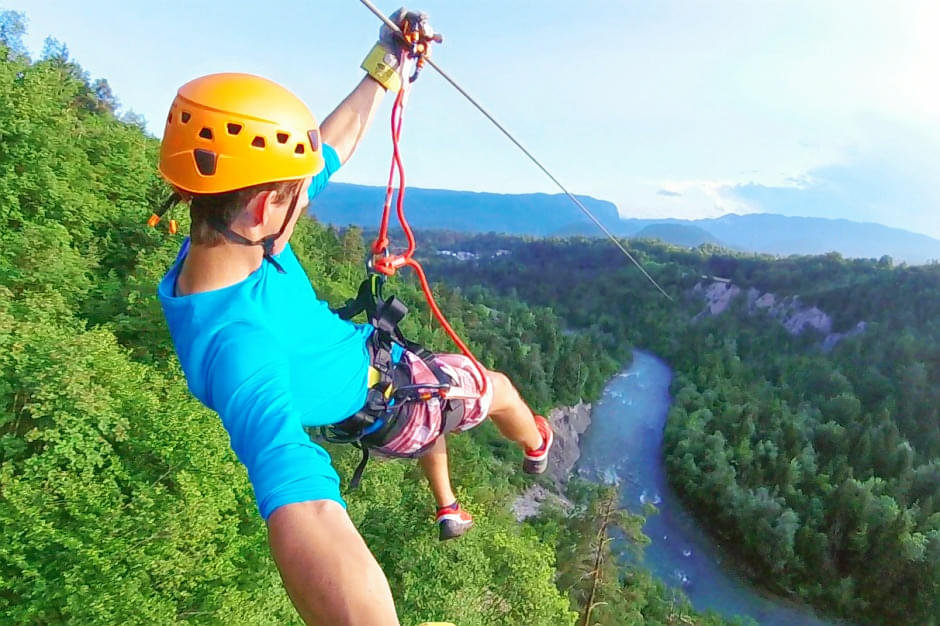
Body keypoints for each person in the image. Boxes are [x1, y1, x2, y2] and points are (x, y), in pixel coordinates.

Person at [155, 10, 552, 625]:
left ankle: (449, 495)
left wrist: (387, 59)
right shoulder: (238, 348)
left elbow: (330, 144)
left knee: (436, 399)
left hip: (380, 371)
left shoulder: (221, 244)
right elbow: (302, 506)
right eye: (297, 195)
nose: (306, 201)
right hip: (391, 406)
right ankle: (537, 441)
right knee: (493, 387)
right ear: (263, 206)